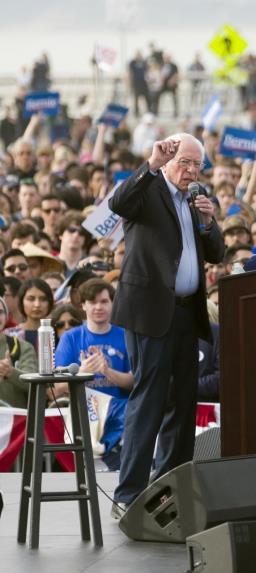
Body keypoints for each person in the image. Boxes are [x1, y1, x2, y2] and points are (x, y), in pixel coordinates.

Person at [109, 134, 224, 515]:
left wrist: (208, 223)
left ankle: (169, 489)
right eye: (185, 163)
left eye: (197, 165)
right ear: (169, 160)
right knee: (150, 399)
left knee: (183, 402)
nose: (191, 172)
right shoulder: (149, 189)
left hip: (187, 313)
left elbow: (216, 252)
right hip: (150, 311)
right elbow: (118, 202)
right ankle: (128, 494)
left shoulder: (194, 200)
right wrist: (151, 163)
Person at [54, 279, 133, 469]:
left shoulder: (126, 335)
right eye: (92, 302)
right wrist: (83, 372)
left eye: (104, 301)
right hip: (85, 416)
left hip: (122, 418)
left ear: (113, 304)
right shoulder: (70, 338)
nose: (98, 307)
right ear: (83, 305)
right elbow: (59, 386)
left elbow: (133, 382)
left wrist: (106, 370)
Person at [0, 294, 38, 408]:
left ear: (6, 316)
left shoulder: (23, 347)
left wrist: (11, 372)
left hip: (16, 423)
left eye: (0, 312)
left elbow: (34, 385)